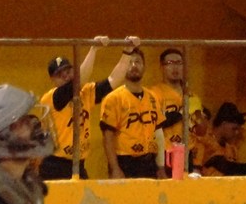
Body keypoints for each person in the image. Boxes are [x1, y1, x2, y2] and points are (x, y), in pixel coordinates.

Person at [38, 35, 139, 180]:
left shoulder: (85, 93)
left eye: (68, 71)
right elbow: (78, 81)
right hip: (55, 165)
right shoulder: (52, 98)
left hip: (78, 164)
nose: (65, 76)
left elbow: (113, 79)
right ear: (53, 80)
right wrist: (94, 49)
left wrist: (127, 52)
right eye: (59, 75)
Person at [99, 47, 164, 179]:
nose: (134, 65)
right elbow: (108, 138)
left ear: (144, 67)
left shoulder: (153, 97)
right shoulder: (113, 98)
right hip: (125, 162)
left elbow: (159, 134)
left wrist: (161, 167)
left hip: (149, 162)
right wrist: (115, 168)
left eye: (138, 62)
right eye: (129, 62)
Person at [149, 48, 203, 178]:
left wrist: (199, 118)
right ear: (162, 67)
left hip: (187, 154)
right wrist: (180, 113)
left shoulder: (192, 97)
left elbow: (201, 131)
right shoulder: (154, 93)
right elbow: (153, 124)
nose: (175, 67)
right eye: (170, 63)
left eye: (179, 63)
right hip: (164, 154)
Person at [190, 102, 246, 177]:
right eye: (234, 129)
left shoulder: (231, 149)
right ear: (224, 123)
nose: (236, 133)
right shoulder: (204, 142)